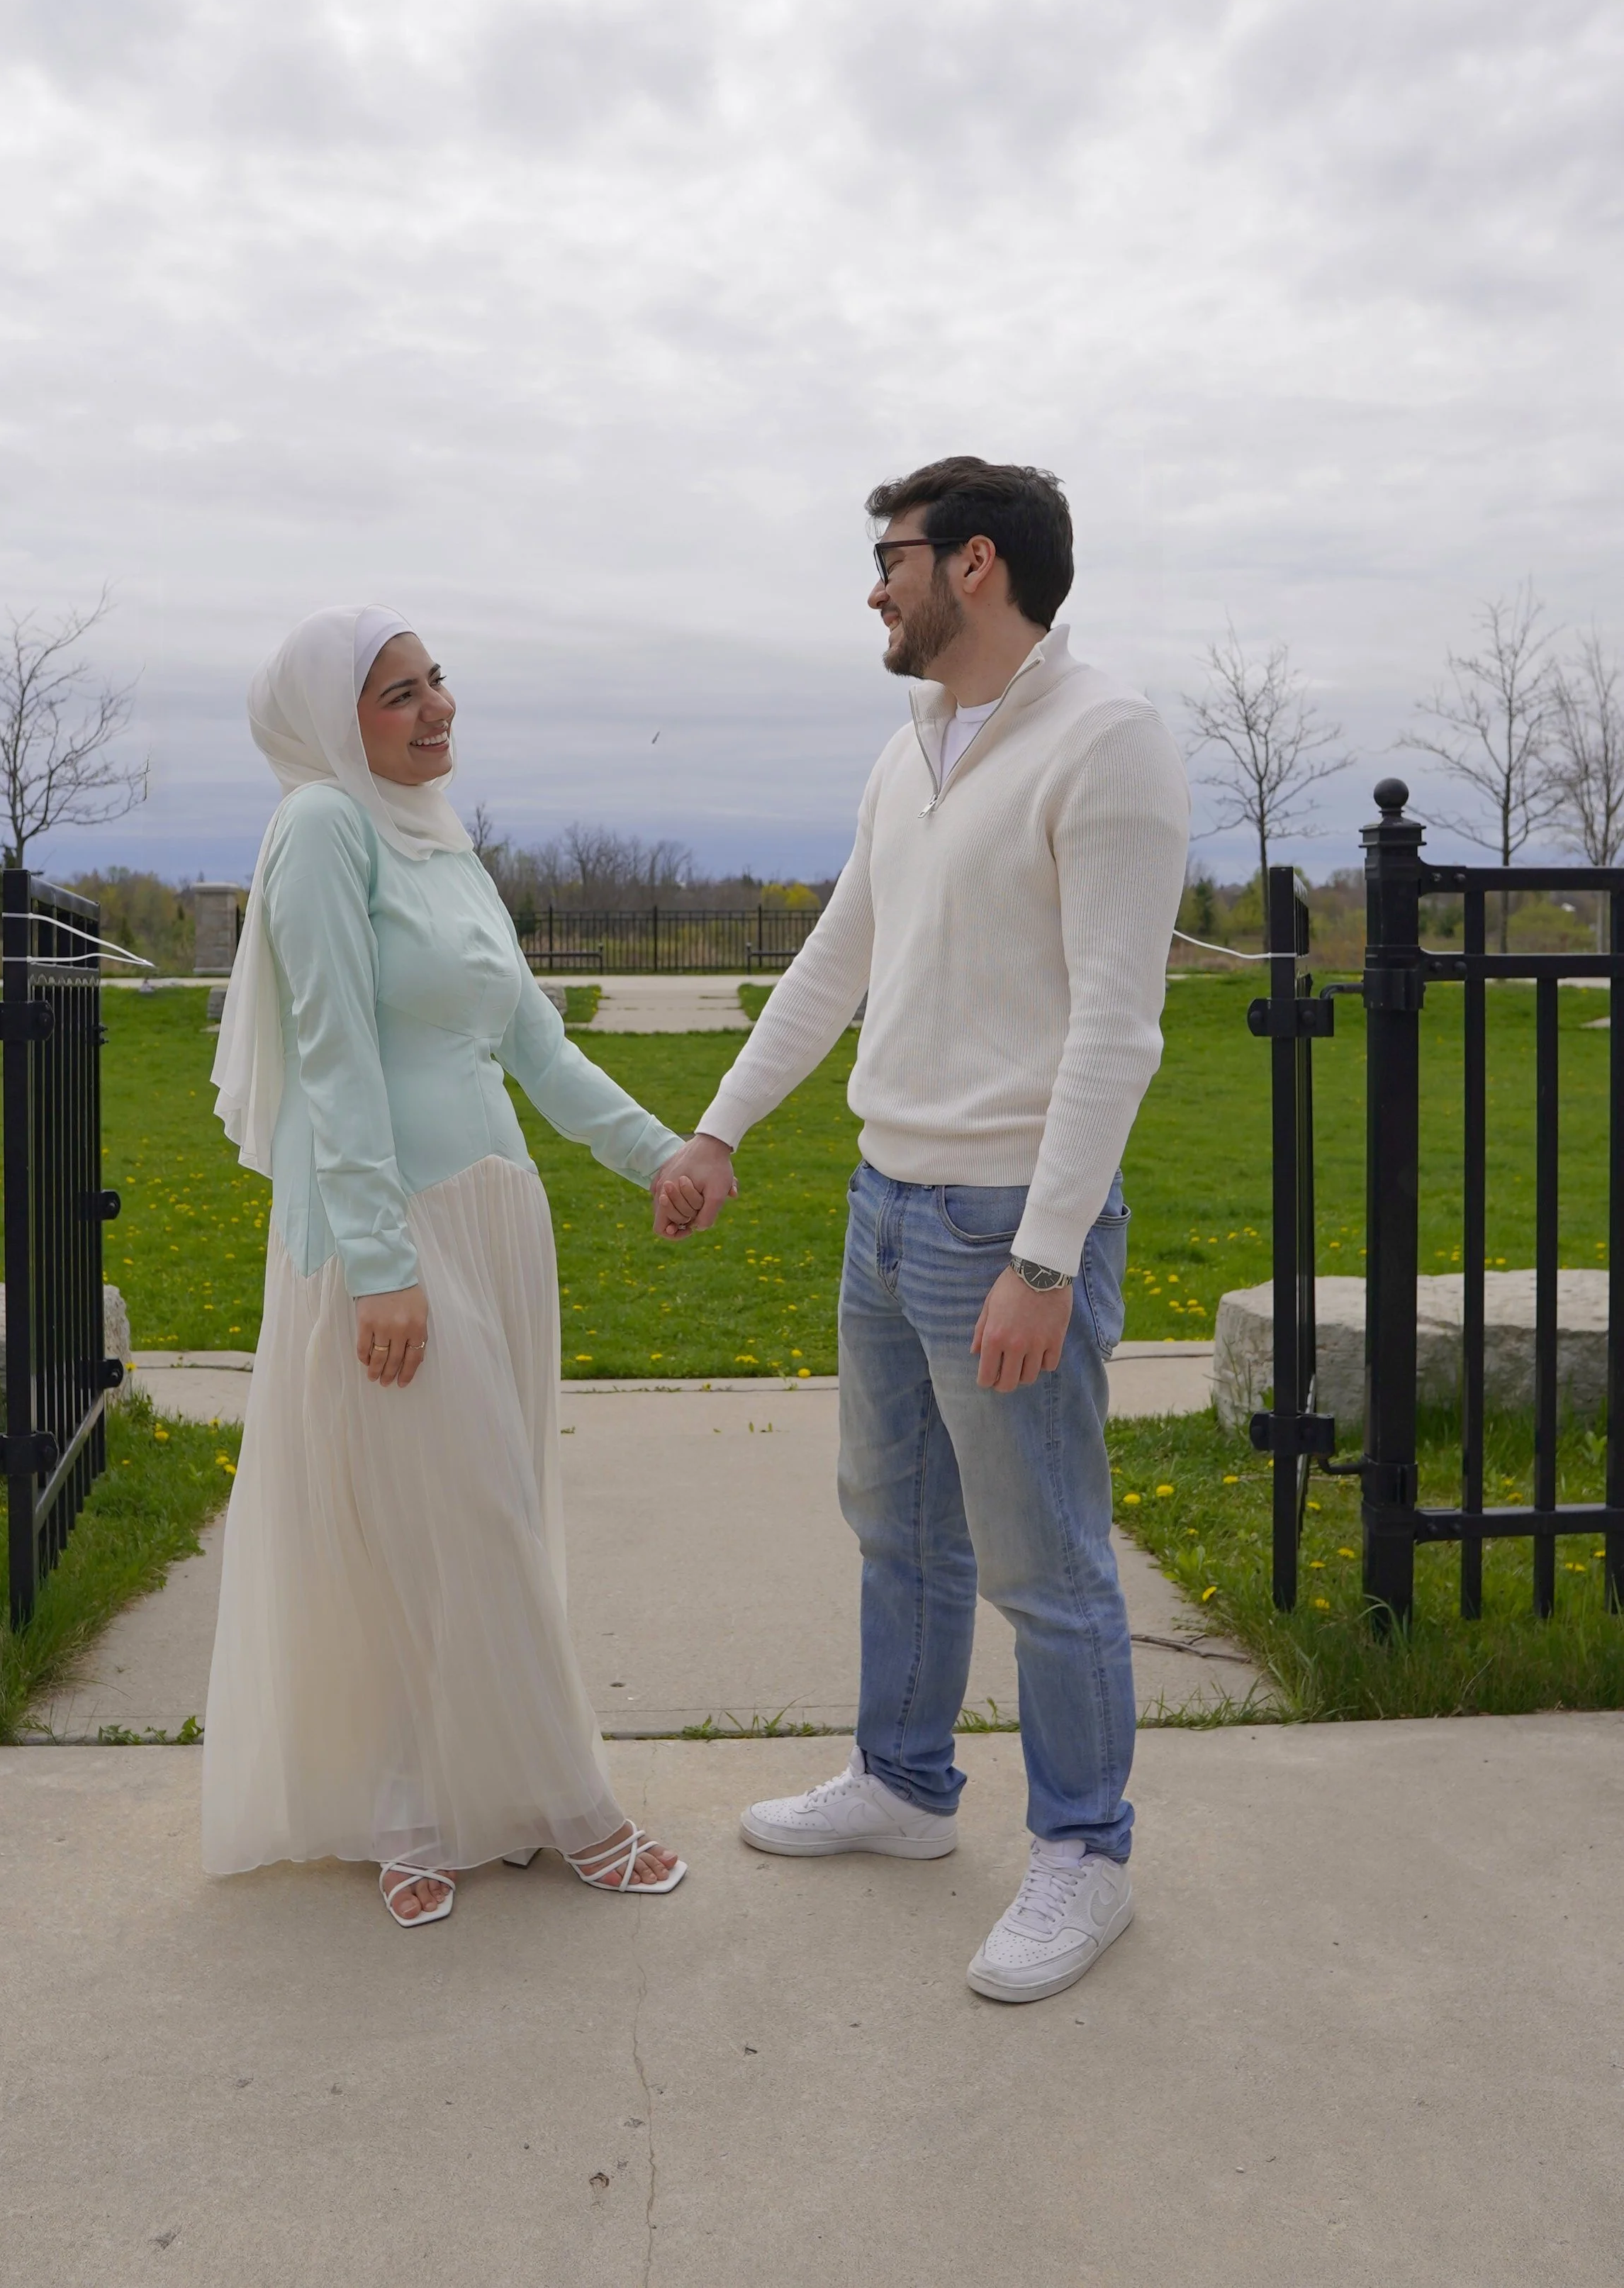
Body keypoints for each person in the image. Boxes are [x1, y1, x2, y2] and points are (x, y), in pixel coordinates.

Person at [654, 459, 1189, 2001]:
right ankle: (902, 1786)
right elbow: (835, 962)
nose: (870, 587)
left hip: (1003, 1225)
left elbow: (1114, 1033)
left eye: (886, 557)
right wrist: (718, 1126)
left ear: (972, 564)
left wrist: (1040, 1257)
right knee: (896, 1524)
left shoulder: (1107, 745)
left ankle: (1082, 1856)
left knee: (1043, 1561)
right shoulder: (916, 748)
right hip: (883, 1203)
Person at [202, 606, 687, 1924]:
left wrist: (662, 1156)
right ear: (329, 725)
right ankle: (557, 1804)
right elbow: (335, 1056)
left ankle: (439, 1789)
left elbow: (531, 1042)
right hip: (389, 1238)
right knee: (449, 1520)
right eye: (398, 693)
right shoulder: (321, 829)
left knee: (487, 1516)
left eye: (438, 680)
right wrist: (379, 1265)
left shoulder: (449, 849)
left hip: (494, 1222)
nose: (438, 709)